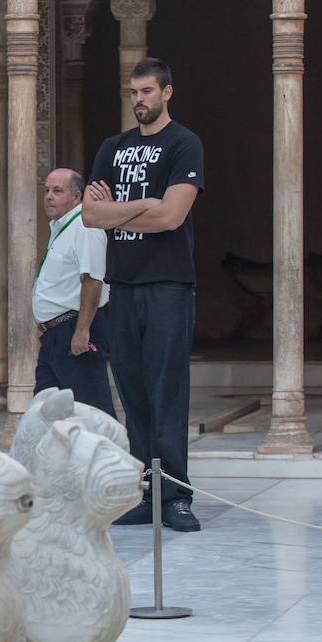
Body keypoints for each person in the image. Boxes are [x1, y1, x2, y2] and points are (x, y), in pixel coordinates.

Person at [83, 57, 203, 532]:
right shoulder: (113, 148)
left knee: (166, 389)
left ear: (167, 92)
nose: (139, 101)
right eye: (134, 93)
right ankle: (143, 491)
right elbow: (91, 216)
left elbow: (172, 216)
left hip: (169, 285)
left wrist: (118, 209)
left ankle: (176, 495)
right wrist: (142, 206)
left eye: (148, 92)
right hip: (125, 285)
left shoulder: (183, 144)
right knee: (132, 392)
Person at [32, 168, 115, 417]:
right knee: (46, 411)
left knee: (92, 412)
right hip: (53, 336)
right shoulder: (63, 227)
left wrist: (82, 331)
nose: (49, 196)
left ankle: (113, 456)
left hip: (74, 330)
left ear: (77, 196)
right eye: (46, 190)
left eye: (58, 191)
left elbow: (93, 280)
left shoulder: (85, 226)